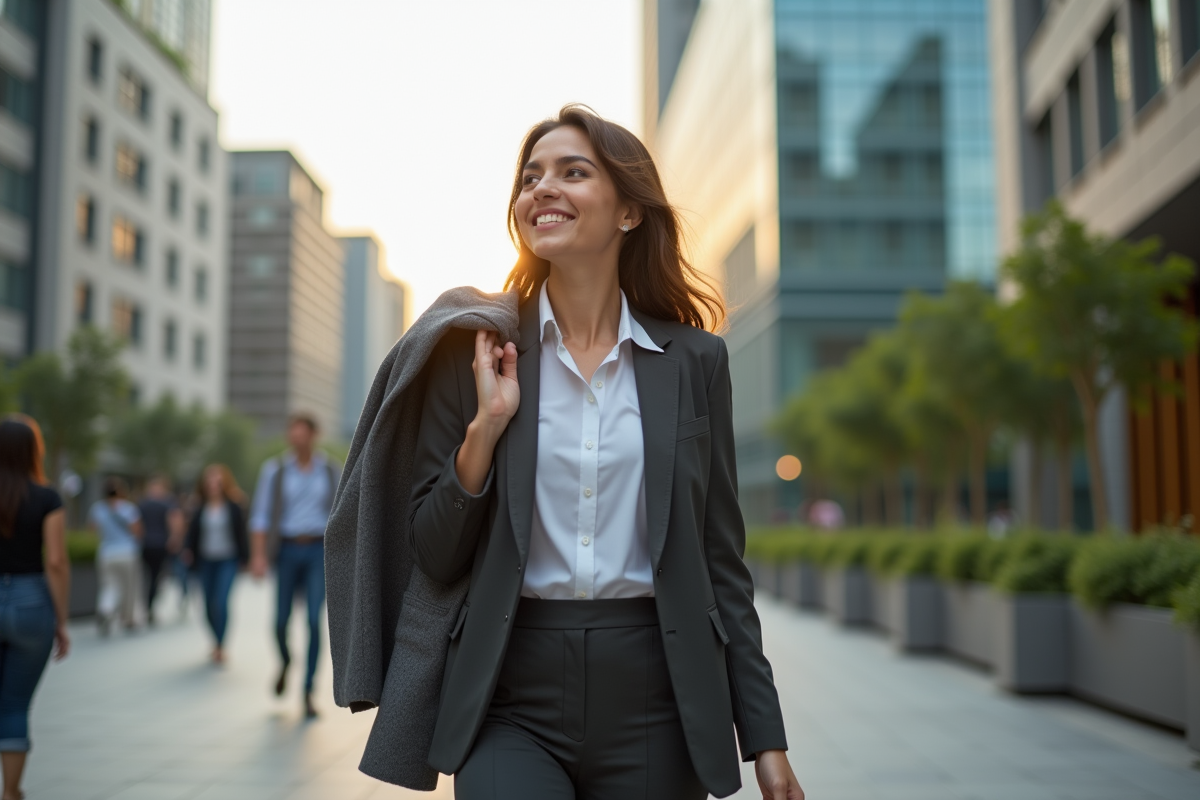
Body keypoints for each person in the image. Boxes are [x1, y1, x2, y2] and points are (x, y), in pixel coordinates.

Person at [376, 106, 803, 799]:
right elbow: (435, 551)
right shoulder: (476, 353)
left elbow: (721, 562)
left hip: (658, 699)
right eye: (530, 177)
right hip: (509, 694)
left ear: (629, 212)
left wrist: (766, 738)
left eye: (573, 173)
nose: (542, 188)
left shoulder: (696, 361)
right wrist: (485, 429)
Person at [249, 413, 340, 719]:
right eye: (293, 434)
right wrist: (259, 556)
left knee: (314, 620)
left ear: (314, 436)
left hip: (317, 550)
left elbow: (341, 514)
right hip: (286, 550)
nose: (297, 440)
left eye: (303, 434)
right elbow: (260, 516)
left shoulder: (329, 470)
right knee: (280, 621)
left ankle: (308, 690)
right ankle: (286, 661)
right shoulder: (274, 471)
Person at [0, 415, 70, 800]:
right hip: (31, 604)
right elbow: (56, 562)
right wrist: (60, 621)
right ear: (33, 451)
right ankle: (11, 792)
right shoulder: (47, 497)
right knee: (13, 706)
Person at [183, 465, 249, 664]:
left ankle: (221, 645)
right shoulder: (199, 506)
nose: (213, 485)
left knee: (220, 602)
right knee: (207, 607)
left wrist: (246, 558)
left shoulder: (234, 506)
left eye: (217, 481)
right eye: (209, 481)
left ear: (224, 483)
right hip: (205, 561)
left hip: (227, 560)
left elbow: (241, 534)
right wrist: (187, 551)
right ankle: (215, 641)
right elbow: (191, 533)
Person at [88, 477, 143, 635]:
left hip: (106, 553)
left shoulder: (97, 509)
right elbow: (137, 531)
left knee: (109, 586)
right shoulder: (128, 508)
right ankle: (129, 619)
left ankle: (106, 608)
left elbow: (92, 530)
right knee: (129, 588)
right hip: (127, 552)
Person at [138, 475, 184, 625]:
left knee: (149, 577)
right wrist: (175, 538)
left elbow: (136, 525)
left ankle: (148, 605)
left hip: (146, 545)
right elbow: (175, 521)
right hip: (160, 545)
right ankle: (150, 605)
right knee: (156, 577)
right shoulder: (167, 503)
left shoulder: (142, 504)